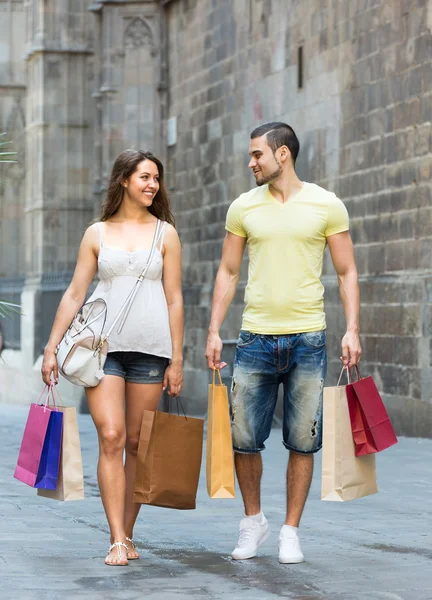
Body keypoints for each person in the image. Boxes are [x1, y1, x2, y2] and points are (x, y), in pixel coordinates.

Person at [205, 122, 361, 564]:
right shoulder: (243, 207)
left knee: (302, 440)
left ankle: (290, 530)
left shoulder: (326, 204)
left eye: (257, 154)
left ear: (283, 155)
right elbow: (229, 272)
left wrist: (352, 329)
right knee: (244, 439)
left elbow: (346, 270)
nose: (251, 162)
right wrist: (215, 329)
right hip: (254, 339)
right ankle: (253, 522)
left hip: (308, 340)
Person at [42, 149, 184, 566]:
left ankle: (129, 531)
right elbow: (74, 293)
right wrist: (51, 348)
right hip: (101, 350)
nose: (152, 184)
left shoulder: (166, 235)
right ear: (124, 180)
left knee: (139, 444)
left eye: (156, 178)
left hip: (151, 350)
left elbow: (174, 299)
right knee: (112, 436)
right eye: (144, 176)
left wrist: (176, 359)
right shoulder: (97, 233)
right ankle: (117, 538)